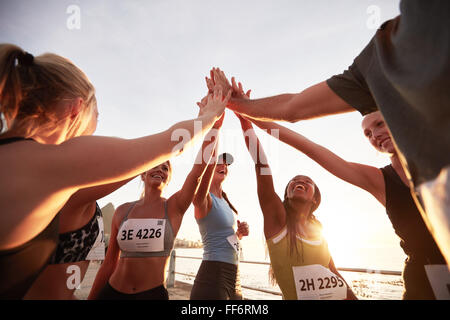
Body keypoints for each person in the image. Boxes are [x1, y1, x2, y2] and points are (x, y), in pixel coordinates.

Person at [208, 0, 450, 265]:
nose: (374, 135)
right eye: (367, 133)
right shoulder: (379, 56)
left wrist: (242, 109)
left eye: (378, 124)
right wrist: (238, 106)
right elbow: (296, 117)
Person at [0, 43, 228, 299]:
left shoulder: (43, 168)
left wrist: (206, 125)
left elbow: (173, 159)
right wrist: (210, 115)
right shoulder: (56, 163)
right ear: (76, 109)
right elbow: (171, 143)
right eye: (96, 115)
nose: (93, 129)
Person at [232, 86, 355, 300]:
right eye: (294, 182)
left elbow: (333, 274)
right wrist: (245, 119)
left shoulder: (318, 229)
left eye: (307, 182)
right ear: (286, 194)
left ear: (315, 198)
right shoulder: (276, 219)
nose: (299, 182)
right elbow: (262, 164)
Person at [88, 113, 222, 300]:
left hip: (152, 295)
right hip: (112, 293)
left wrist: (214, 123)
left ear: (168, 178)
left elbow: (199, 169)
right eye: (156, 165)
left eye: (166, 168)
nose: (160, 169)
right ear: (142, 174)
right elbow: (109, 264)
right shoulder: (122, 211)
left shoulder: (175, 206)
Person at [190, 143, 249, 300]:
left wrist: (239, 234)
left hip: (234, 275)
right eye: (218, 163)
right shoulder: (203, 198)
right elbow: (199, 185)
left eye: (226, 164)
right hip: (213, 274)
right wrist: (214, 138)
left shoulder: (225, 202)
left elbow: (224, 238)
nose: (223, 165)